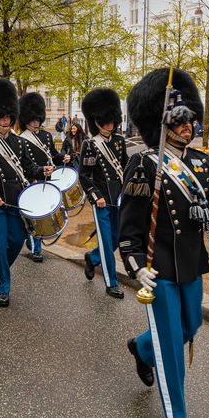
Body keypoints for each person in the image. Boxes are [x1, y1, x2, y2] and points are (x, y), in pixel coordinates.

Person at [120, 68, 209, 418]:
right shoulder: (145, 164)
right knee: (172, 342)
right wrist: (135, 266)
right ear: (162, 125)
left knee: (191, 325)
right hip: (157, 268)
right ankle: (176, 412)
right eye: (179, 121)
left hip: (191, 263)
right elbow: (129, 227)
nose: (188, 126)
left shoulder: (201, 163)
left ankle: (142, 348)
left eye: (190, 120)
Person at [0, 78, 51, 308]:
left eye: (8, 116)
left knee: (16, 241)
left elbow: (28, 167)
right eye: (1, 116)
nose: (6, 120)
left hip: (16, 202)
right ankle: (3, 286)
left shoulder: (19, 142)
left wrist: (42, 170)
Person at [78, 88, 127, 299]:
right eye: (106, 121)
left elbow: (125, 166)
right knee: (107, 241)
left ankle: (92, 257)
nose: (110, 124)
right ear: (97, 121)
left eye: (112, 120)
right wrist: (95, 196)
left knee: (117, 238)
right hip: (101, 201)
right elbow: (84, 175)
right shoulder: (90, 145)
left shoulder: (119, 141)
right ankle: (111, 282)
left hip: (118, 198)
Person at [16, 91, 68, 264]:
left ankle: (34, 240)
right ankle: (36, 248)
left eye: (38, 118)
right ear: (25, 119)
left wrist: (63, 158)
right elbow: (23, 164)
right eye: (32, 119)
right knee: (34, 215)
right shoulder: (20, 139)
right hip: (31, 180)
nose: (36, 121)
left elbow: (53, 155)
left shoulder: (46, 136)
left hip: (47, 179)